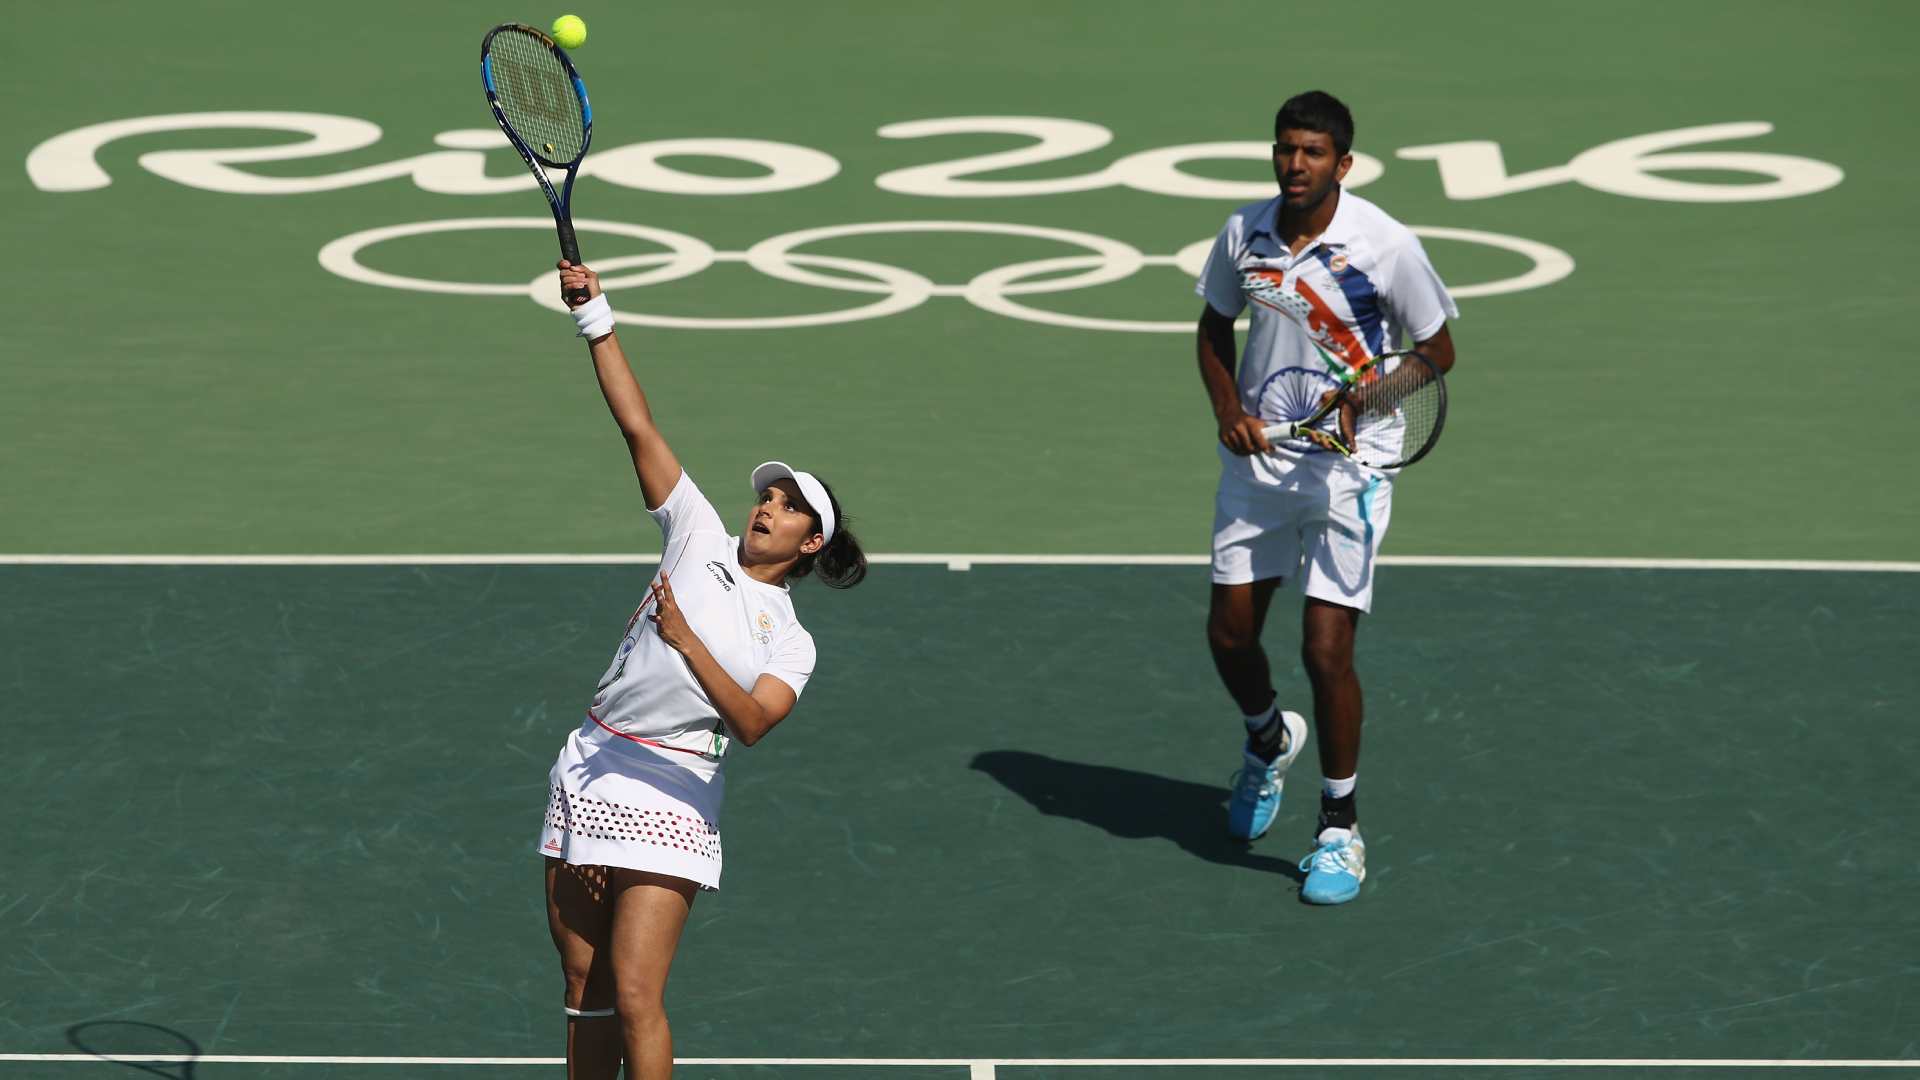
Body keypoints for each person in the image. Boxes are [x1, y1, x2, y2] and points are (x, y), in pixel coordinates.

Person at [537, 260, 867, 1078]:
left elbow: (752, 723)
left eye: (791, 507)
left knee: (640, 994)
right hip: (591, 762)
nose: (768, 508)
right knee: (585, 985)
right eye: (770, 496)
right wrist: (595, 315)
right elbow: (638, 427)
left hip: (676, 794)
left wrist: (686, 641)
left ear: (810, 544)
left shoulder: (793, 639)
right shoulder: (693, 530)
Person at [1192, 91, 1459, 905]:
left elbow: (1438, 349)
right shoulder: (1245, 232)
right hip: (1261, 461)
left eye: (1312, 153)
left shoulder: (1385, 245)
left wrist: (1369, 399)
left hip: (1351, 467)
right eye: (1285, 150)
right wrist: (1230, 411)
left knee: (1325, 650)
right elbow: (1211, 331)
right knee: (1230, 635)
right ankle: (1268, 739)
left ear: (1342, 163)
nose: (1294, 165)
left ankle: (1340, 827)